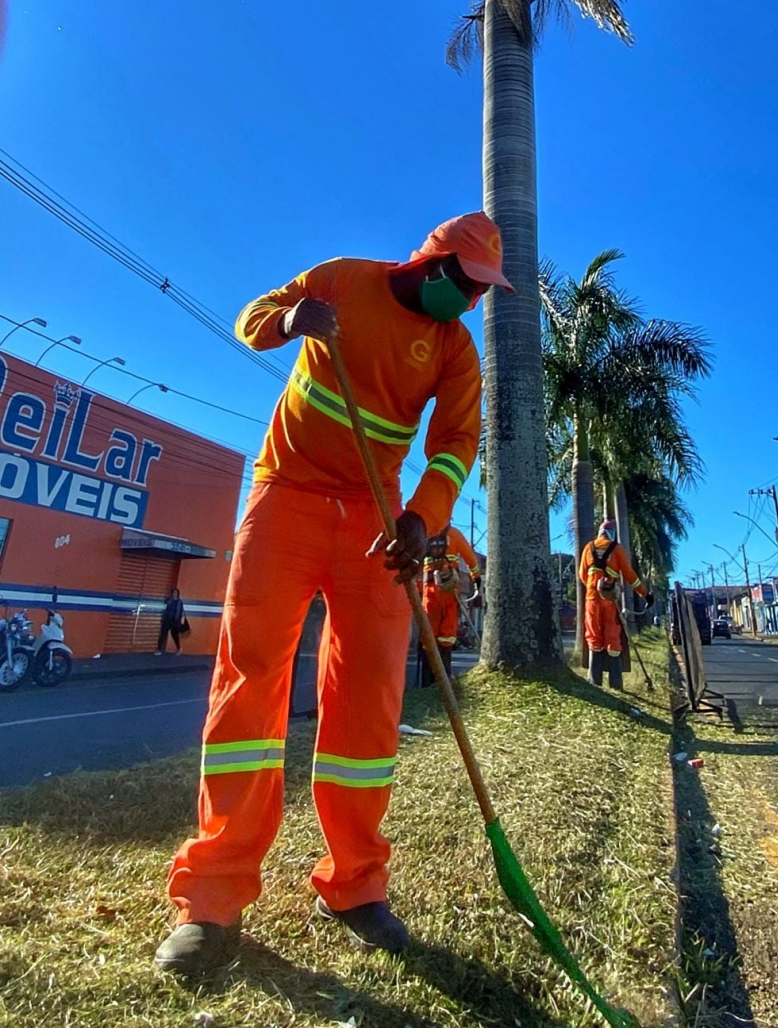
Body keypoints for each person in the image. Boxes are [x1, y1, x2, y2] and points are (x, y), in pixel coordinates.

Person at [155, 212, 512, 978]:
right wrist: (289, 319)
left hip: (375, 515)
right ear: (435, 262)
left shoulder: (455, 351)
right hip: (284, 494)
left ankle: (355, 883)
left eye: (485, 292)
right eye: (470, 285)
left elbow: (456, 443)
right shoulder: (344, 277)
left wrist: (422, 520)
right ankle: (211, 900)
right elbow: (252, 318)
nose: (475, 303)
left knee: (369, 694)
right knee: (250, 682)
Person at [579, 519, 652, 689]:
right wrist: (645, 594)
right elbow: (629, 575)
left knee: (593, 636)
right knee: (612, 635)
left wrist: (593, 586)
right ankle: (616, 683)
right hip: (611, 599)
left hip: (592, 598)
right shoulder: (616, 548)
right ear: (612, 534)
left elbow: (582, 575)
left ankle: (594, 682)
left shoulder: (588, 548)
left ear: (599, 532)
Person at [419, 524, 482, 684]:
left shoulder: (423, 535)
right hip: (449, 591)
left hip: (431, 592)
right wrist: (476, 578)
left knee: (430, 635)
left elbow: (414, 562)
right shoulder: (453, 533)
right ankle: (443, 679)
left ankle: (427, 680)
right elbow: (470, 557)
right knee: (446, 635)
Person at [155, 588, 186, 655]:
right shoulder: (170, 600)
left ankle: (178, 648)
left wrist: (177, 621)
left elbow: (178, 612)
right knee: (163, 634)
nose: (174, 594)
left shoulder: (179, 602)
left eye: (175, 592)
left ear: (178, 594)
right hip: (167, 619)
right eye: (173, 592)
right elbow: (165, 605)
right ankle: (159, 649)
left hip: (174, 620)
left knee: (174, 635)